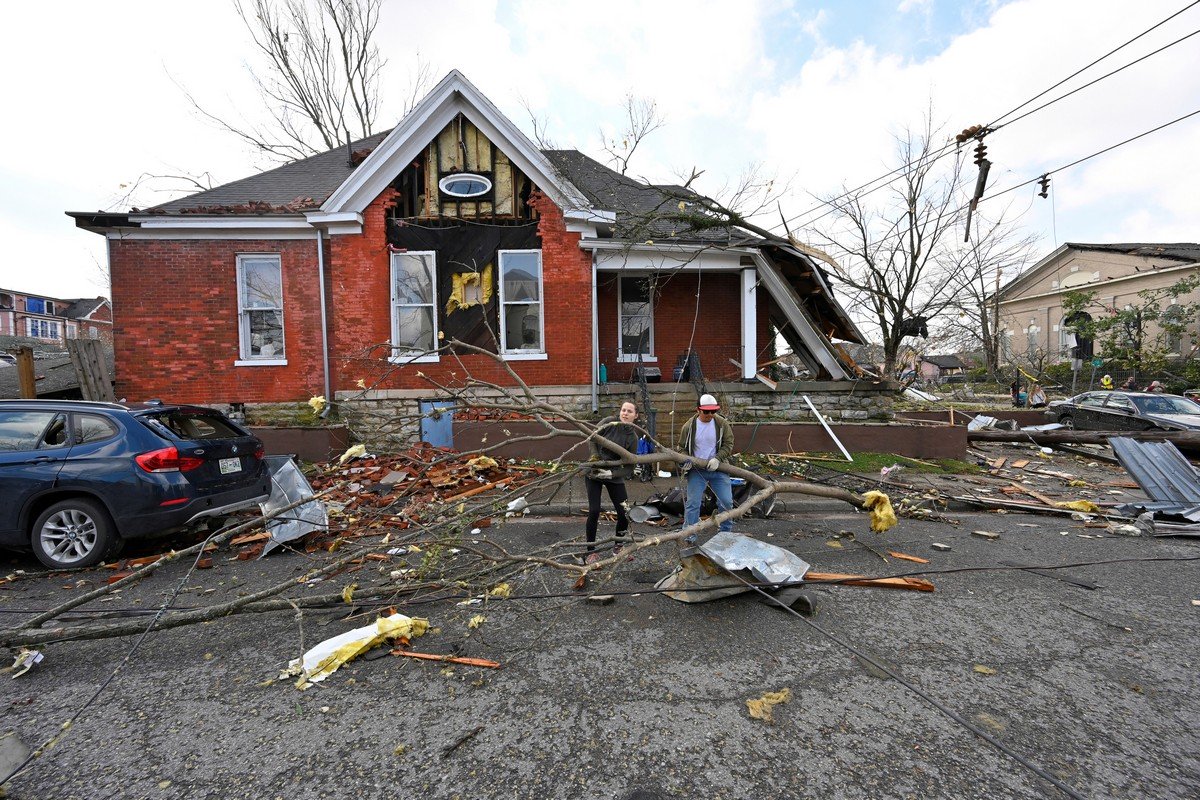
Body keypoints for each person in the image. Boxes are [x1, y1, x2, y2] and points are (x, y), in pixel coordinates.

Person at [581, 401, 640, 564]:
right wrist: (594, 457)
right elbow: (592, 437)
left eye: (629, 411)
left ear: (635, 416)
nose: (625, 413)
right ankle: (590, 551)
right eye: (623, 410)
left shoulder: (632, 438)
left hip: (613, 475)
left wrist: (611, 474)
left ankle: (618, 546)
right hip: (595, 471)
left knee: (624, 513)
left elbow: (629, 468)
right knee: (594, 510)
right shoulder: (608, 422)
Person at [678, 393, 735, 546]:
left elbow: (728, 444)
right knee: (693, 504)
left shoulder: (722, 424)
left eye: (713, 411)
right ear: (698, 410)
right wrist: (686, 460)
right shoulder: (689, 427)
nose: (710, 415)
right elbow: (681, 448)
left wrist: (718, 458)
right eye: (706, 412)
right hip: (697, 470)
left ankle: (725, 532)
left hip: (718, 468)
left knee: (726, 502)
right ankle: (690, 534)